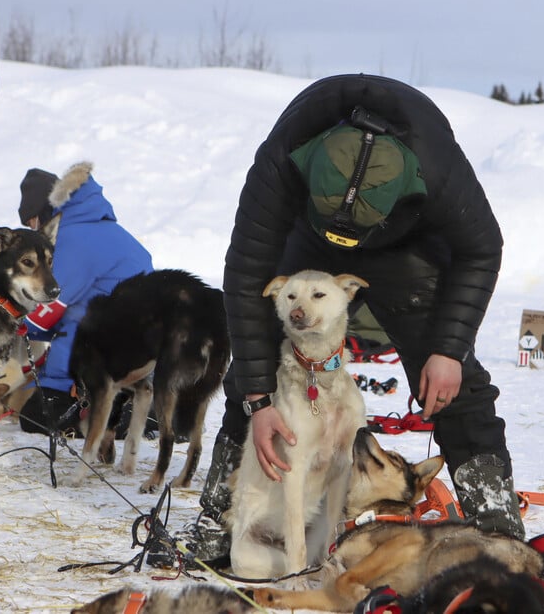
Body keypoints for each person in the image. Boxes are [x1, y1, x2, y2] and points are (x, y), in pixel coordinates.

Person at [176, 73, 525, 567]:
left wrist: (448, 349)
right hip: (308, 242)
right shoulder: (282, 159)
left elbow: (482, 248)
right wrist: (258, 397)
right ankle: (223, 519)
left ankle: (498, 532)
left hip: (407, 247)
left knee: (457, 388)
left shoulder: (439, 169)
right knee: (256, 376)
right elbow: (247, 274)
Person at [16, 161, 154, 435]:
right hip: (142, 349)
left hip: (103, 352)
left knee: (34, 417)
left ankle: (87, 411)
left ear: (43, 213)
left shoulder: (72, 240)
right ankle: (144, 408)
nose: (35, 231)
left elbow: (48, 305)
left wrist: (13, 325)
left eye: (32, 223)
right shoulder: (101, 228)